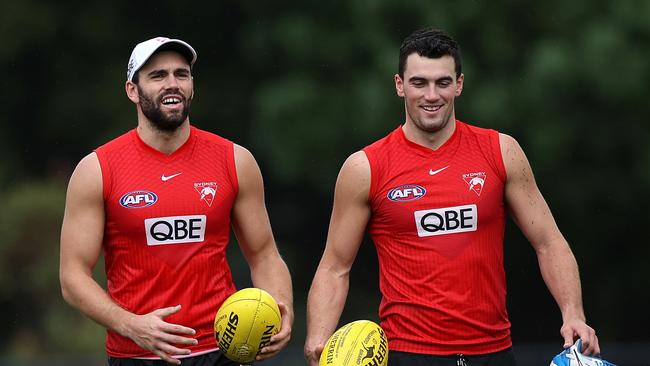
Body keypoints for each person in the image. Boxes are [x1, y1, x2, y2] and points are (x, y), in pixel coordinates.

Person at [304, 28, 599, 366]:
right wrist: (318, 337)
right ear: (400, 85)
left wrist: (573, 313)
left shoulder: (500, 151)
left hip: (493, 353)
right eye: (419, 83)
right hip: (409, 355)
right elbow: (334, 267)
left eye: (442, 83)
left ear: (459, 84)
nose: (432, 95)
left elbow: (549, 242)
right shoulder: (365, 168)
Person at [60, 37, 293, 366]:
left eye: (181, 74)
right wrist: (131, 325)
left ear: (192, 85)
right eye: (157, 76)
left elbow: (264, 254)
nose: (172, 84)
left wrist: (281, 307)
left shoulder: (235, 160)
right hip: (138, 354)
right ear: (132, 90)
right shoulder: (97, 170)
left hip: (221, 351)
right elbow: (72, 277)